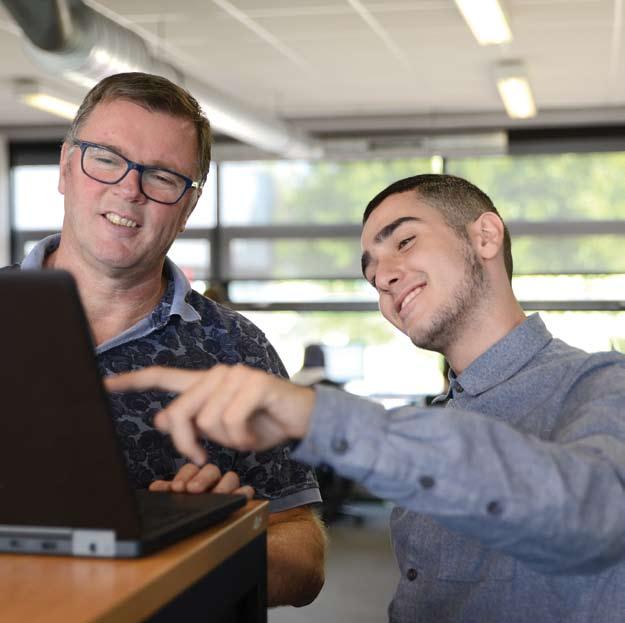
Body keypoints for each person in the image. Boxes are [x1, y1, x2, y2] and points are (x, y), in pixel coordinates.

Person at [106, 173, 625, 622]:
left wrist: (316, 415)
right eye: (369, 267)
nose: (380, 275)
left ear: (486, 236)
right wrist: (212, 532)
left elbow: (591, 514)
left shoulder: (602, 383)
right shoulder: (440, 422)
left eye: (402, 242)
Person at [14, 72, 325, 608]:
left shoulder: (238, 350)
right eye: (106, 159)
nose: (128, 189)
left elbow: (306, 563)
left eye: (161, 177)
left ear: (188, 206)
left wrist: (218, 534)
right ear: (65, 167)